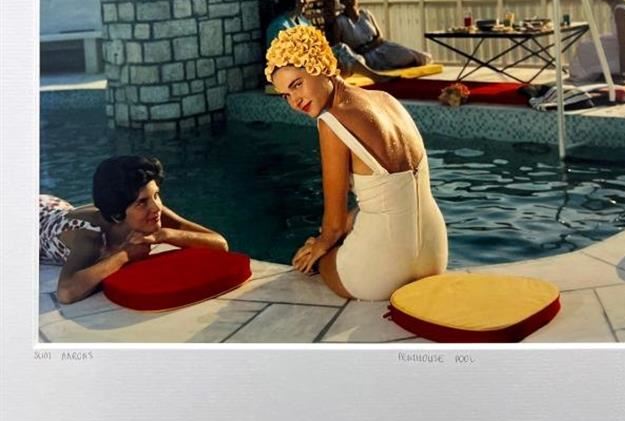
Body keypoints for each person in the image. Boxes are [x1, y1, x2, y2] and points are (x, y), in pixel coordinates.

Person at [266, 25, 448, 301]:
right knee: (357, 219)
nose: (295, 101)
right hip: (434, 254)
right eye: (285, 95)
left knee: (319, 260)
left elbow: (334, 225)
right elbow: (391, 192)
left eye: (297, 84)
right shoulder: (387, 101)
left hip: (383, 271)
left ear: (319, 66)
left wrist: (320, 244)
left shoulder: (331, 121)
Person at [40, 155, 229, 304]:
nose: (156, 207)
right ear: (118, 213)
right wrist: (126, 255)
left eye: (156, 195)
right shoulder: (90, 237)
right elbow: (66, 292)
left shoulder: (154, 212)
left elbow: (220, 244)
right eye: (142, 202)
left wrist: (165, 234)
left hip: (57, 206)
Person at [265, 0, 391, 82]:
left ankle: (359, 77)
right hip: (296, 67)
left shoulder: (303, 21)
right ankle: (375, 77)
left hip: (312, 59)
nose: (306, 2)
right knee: (342, 53)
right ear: (294, 1)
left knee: (343, 53)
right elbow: (283, 57)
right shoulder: (279, 26)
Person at [333, 0, 432, 71]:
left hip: (381, 48)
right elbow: (338, 46)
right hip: (362, 56)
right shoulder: (340, 21)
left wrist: (372, 46)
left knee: (416, 57)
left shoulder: (366, 14)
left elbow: (380, 35)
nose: (349, 1)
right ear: (341, 2)